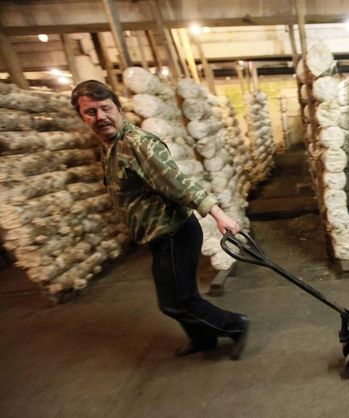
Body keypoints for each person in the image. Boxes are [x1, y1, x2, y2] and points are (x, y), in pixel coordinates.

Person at [71, 80, 249, 358]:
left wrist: (217, 213)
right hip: (157, 234)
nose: (100, 116)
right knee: (183, 295)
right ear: (82, 117)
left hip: (174, 233)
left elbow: (177, 182)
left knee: (174, 302)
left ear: (118, 108)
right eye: (90, 112)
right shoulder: (111, 145)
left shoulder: (137, 144)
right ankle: (203, 340)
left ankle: (235, 325)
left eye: (105, 108)